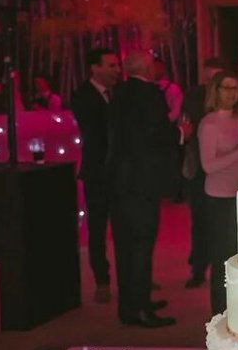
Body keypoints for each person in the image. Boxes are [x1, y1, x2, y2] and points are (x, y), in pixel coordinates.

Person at [106, 50, 178, 328]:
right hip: (142, 181)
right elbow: (154, 134)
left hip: (120, 180)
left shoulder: (119, 93)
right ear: (146, 68)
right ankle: (141, 308)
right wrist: (179, 132)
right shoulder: (150, 94)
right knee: (141, 246)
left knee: (125, 246)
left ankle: (130, 304)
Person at [71, 48, 122, 304]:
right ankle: (102, 279)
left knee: (125, 225)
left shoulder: (116, 94)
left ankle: (129, 275)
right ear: (94, 68)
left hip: (118, 171)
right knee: (98, 227)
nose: (116, 70)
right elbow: (97, 133)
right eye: (111, 65)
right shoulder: (83, 96)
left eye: (116, 65)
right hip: (98, 171)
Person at [197, 71, 238, 316]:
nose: (231, 93)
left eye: (235, 88)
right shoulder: (209, 123)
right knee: (222, 259)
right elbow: (208, 166)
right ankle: (219, 314)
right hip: (219, 198)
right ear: (215, 91)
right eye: (226, 88)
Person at [180, 57, 225, 289]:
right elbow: (185, 125)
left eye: (215, 78)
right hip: (199, 167)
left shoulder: (231, 96)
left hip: (227, 169)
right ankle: (198, 268)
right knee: (199, 220)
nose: (211, 83)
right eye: (208, 78)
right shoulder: (194, 96)